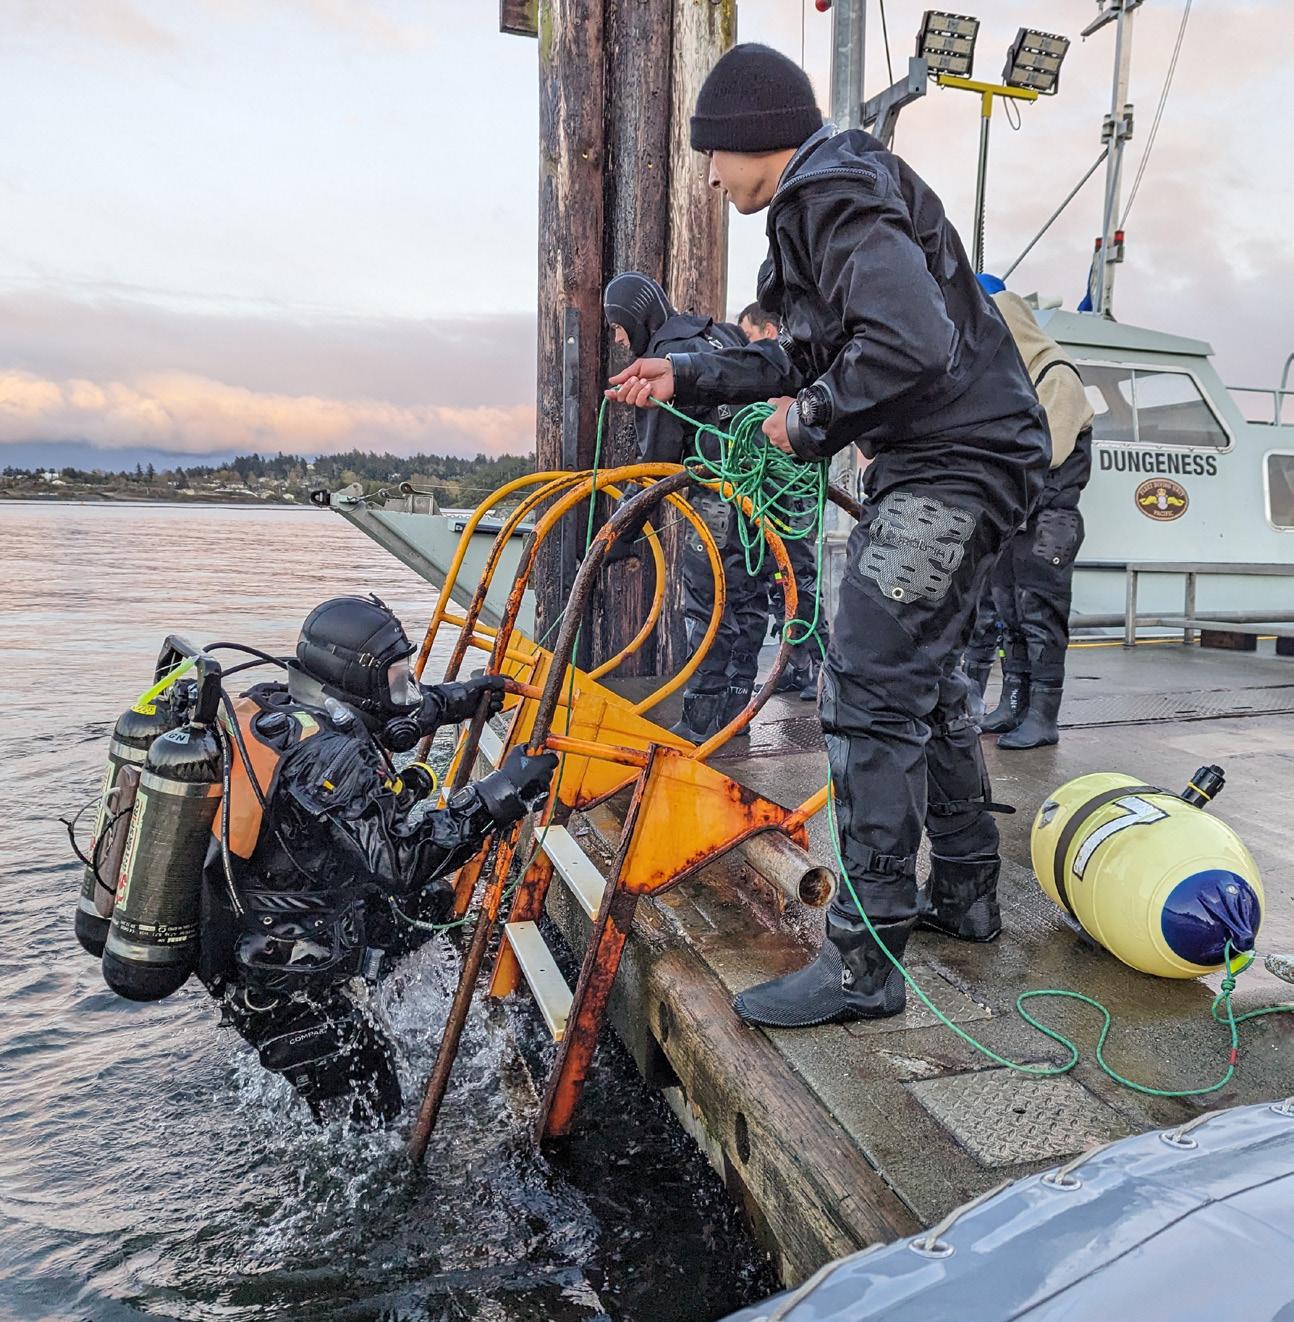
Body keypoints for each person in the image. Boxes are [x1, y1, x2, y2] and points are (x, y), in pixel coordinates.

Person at [607, 43, 1049, 1027]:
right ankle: (965, 890)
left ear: (754, 137)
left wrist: (806, 424)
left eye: (713, 154)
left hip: (954, 466)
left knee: (866, 685)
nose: (709, 176)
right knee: (926, 680)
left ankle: (863, 962)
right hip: (970, 457)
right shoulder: (828, 199)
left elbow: (910, 342)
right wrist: (689, 375)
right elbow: (805, 351)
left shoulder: (830, 191)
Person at [198, 594, 557, 1125]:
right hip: (278, 969)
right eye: (394, 676)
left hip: (281, 915)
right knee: (371, 1097)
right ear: (357, 677)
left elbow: (394, 715)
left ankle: (383, 999)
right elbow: (400, 863)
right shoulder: (330, 757)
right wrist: (500, 794)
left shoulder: (281, 706)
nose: (404, 687)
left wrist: (459, 700)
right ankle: (355, 1152)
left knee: (430, 905)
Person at [603, 271, 764, 743]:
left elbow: (655, 466)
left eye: (619, 327)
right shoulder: (721, 335)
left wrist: (620, 533)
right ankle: (736, 713)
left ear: (637, 317)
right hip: (760, 487)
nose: (618, 339)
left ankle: (697, 721)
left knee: (706, 602)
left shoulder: (663, 361)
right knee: (747, 598)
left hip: (716, 494)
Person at [964, 276, 1096, 749]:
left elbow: (1048, 452)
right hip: (1017, 518)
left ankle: (1043, 716)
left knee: (1041, 616)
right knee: (1010, 613)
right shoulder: (1017, 383)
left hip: (1050, 521)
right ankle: (1014, 703)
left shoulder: (1055, 376)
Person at [737, 300, 828, 701]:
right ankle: (796, 665)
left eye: (750, 337)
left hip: (793, 489)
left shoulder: (791, 375)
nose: (747, 349)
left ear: (770, 332)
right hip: (772, 490)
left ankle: (821, 668)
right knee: (778, 578)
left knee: (798, 575)